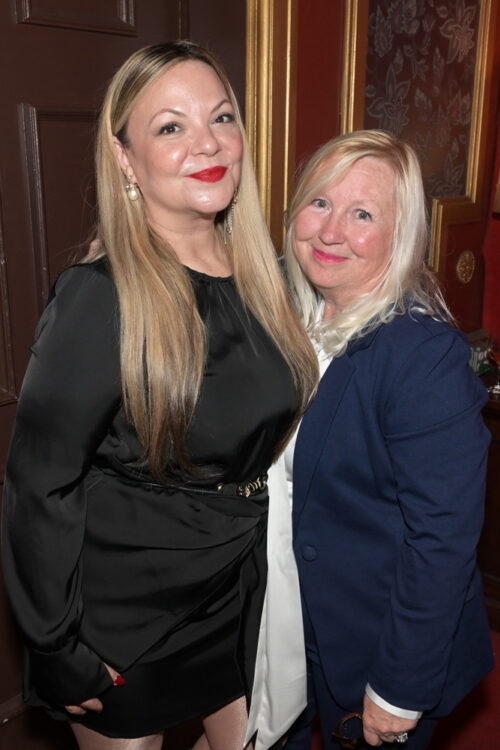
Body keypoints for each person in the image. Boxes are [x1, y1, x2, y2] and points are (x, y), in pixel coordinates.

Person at [1, 41, 318, 750]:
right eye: (170, 126)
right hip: (129, 614)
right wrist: (56, 646)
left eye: (222, 117)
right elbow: (37, 485)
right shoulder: (101, 297)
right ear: (124, 159)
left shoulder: (265, 280)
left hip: (239, 590)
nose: (207, 143)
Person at [282, 130, 494, 749]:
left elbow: (443, 539)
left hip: (380, 639)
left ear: (398, 237)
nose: (330, 230)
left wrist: (400, 687)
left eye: (363, 214)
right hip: (284, 626)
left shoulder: (421, 357)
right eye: (319, 202)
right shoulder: (277, 316)